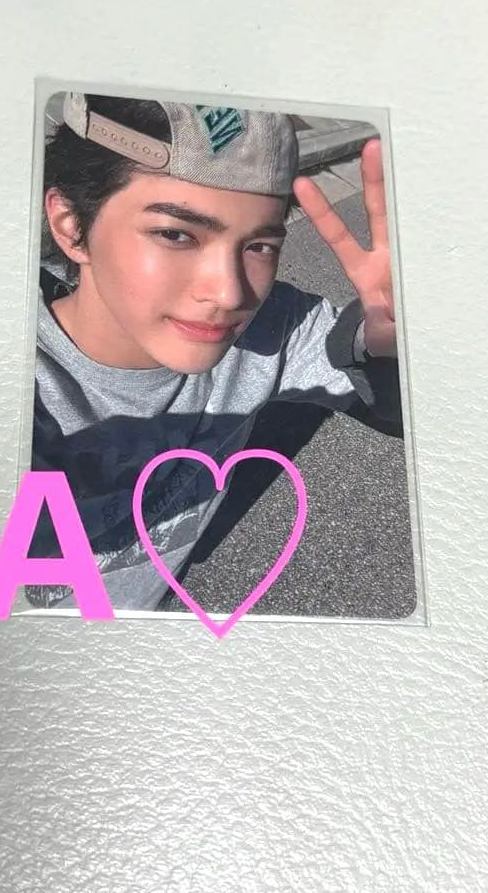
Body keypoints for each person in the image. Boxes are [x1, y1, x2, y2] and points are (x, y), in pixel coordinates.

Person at [29, 93, 401, 611]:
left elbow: (422, 421)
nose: (230, 294)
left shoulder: (272, 329)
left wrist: (408, 351)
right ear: (71, 224)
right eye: (176, 234)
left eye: (259, 246)